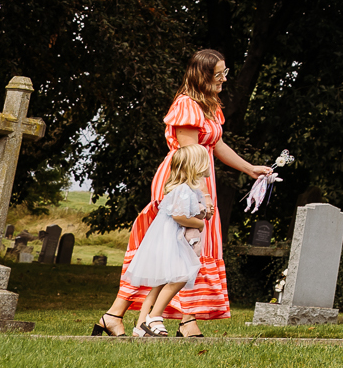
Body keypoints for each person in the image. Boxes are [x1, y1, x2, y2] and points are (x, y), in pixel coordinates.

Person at [96, 49, 273, 339]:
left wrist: (249, 168)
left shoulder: (209, 106)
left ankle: (169, 318)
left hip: (201, 180)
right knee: (172, 247)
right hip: (184, 181)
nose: (224, 79)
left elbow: (215, 144)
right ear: (202, 75)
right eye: (219, 74)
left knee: (190, 247)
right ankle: (127, 316)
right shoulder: (187, 105)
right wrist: (203, 198)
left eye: (224, 73)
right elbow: (191, 153)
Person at [122, 145, 212, 337]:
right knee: (181, 276)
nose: (209, 165)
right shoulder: (183, 191)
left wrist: (203, 212)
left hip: (172, 240)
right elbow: (179, 216)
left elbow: (190, 210)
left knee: (160, 283)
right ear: (195, 165)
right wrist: (199, 224)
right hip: (173, 241)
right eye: (206, 161)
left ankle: (140, 327)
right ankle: (154, 317)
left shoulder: (190, 190)